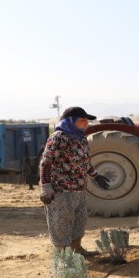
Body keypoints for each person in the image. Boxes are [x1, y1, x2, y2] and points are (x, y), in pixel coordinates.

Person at [39, 107, 110, 255]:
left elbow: (84, 162)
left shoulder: (81, 138)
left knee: (79, 220)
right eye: (82, 120)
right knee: (61, 223)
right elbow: (45, 163)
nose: (86, 124)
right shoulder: (58, 137)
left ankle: (76, 249)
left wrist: (96, 176)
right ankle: (63, 256)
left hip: (79, 189)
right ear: (70, 121)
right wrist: (46, 187)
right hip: (60, 191)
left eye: (87, 121)